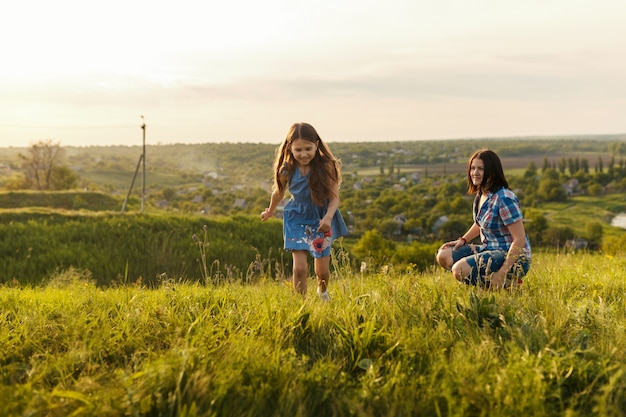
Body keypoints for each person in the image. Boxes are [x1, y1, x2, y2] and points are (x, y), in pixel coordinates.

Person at [261, 122, 348, 300]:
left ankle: (322, 292)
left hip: (321, 216)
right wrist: (270, 211)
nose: (303, 154)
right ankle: (301, 305)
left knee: (322, 272)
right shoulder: (287, 169)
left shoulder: (326, 166)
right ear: (290, 148)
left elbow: (334, 197)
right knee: (299, 268)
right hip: (296, 216)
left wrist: (328, 218)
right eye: (298, 150)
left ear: (316, 145)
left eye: (308, 148)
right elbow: (279, 191)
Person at [436, 149, 531, 289]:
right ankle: (498, 285)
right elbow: (480, 224)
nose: (475, 172)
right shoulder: (482, 195)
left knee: (459, 270)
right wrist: (463, 240)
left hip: (512, 257)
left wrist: (503, 272)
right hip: (489, 249)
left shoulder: (504, 198)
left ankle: (504, 283)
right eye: (472, 168)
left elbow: (520, 239)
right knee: (443, 255)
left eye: (481, 168)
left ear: (492, 171)